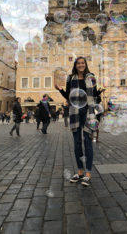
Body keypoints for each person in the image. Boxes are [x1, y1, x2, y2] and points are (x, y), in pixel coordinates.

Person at [55, 56, 101, 187]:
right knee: (76, 143)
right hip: (75, 111)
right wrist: (60, 90)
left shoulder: (91, 76)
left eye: (82, 63)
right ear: (75, 65)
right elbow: (68, 96)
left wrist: (100, 91)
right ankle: (80, 172)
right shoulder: (70, 78)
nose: (80, 65)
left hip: (88, 111)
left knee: (87, 141)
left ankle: (88, 174)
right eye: (78, 63)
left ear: (85, 65)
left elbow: (95, 94)